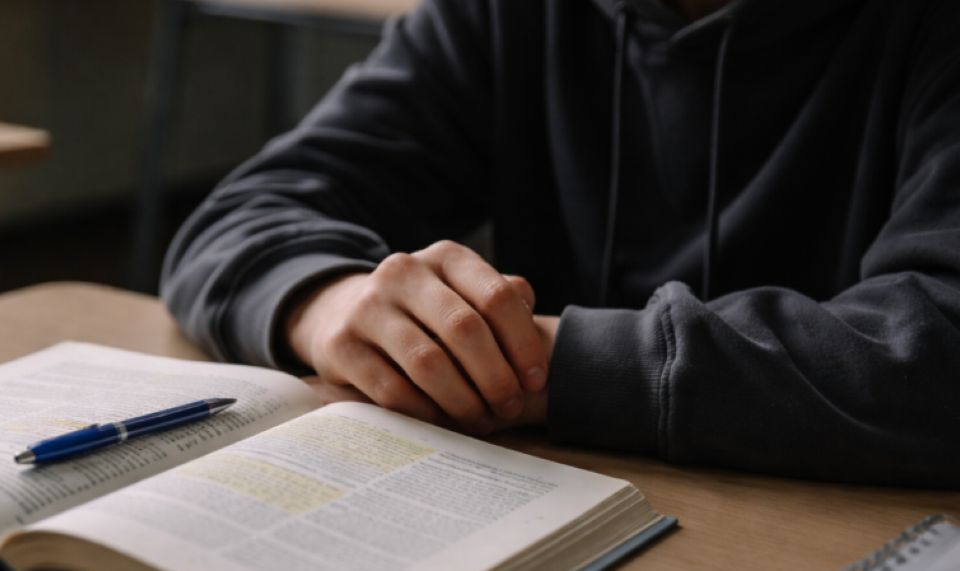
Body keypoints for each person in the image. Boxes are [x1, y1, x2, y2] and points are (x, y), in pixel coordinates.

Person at [161, 0, 960, 485]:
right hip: (547, 518)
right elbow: (244, 214)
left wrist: (539, 366)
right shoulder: (508, 13)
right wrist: (330, 303)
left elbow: (939, 346)